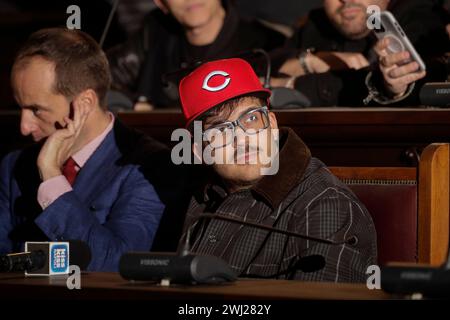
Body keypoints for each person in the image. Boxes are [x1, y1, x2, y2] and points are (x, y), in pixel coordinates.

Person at [177, 58, 377, 282]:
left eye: (251, 118)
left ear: (272, 123)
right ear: (197, 150)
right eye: (219, 131)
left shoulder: (326, 204)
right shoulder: (198, 194)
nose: (242, 139)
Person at [0, 28, 166, 271]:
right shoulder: (14, 165)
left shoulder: (148, 167)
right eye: (20, 108)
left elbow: (117, 265)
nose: (24, 127)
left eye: (36, 110)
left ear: (84, 104)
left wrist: (51, 177)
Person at [107, 0, 285, 111]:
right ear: (161, 3)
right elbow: (98, 75)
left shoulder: (266, 43)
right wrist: (134, 104)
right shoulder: (154, 31)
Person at [272, 0, 449, 106]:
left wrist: (287, 83)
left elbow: (422, 85)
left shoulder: (418, 15)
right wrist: (312, 60)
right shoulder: (318, 22)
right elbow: (261, 63)